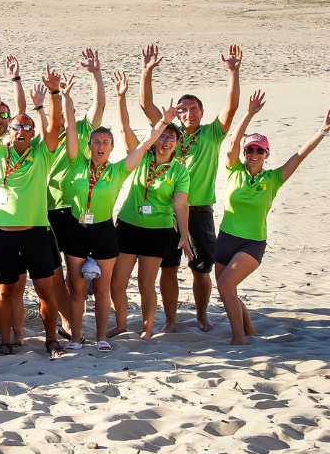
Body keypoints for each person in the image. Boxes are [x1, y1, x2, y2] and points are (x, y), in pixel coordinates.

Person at [0, 62, 67, 357]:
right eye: (16, 126)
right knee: (5, 291)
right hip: (4, 236)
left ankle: (51, 340)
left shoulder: (41, 153)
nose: (22, 130)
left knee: (46, 291)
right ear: (8, 132)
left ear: (33, 133)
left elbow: (55, 127)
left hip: (36, 233)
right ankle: (6, 341)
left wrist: (53, 94)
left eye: (27, 127)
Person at [140, 44, 243, 333]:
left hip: (198, 211)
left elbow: (232, 107)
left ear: (201, 112)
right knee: (168, 267)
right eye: (183, 109)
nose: (188, 113)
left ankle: (201, 315)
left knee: (201, 270)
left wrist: (233, 72)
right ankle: (171, 321)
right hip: (164, 211)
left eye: (194, 109)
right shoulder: (167, 134)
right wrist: (146, 72)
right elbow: (146, 106)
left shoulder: (211, 134)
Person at [56, 75, 161, 351]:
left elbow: (145, 145)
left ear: (112, 147)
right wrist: (65, 97)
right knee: (77, 289)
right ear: (88, 145)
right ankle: (76, 338)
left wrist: (163, 122)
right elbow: (69, 127)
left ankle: (102, 337)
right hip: (76, 230)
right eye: (96, 142)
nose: (101, 146)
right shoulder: (77, 162)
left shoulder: (117, 170)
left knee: (102, 290)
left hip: (104, 232)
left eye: (106, 142)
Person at [213, 93, 327, 345]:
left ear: (266, 154)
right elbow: (231, 143)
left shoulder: (273, 179)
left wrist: (323, 130)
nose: (254, 153)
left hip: (252, 243)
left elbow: (299, 155)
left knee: (224, 287)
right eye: (250, 149)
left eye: (259, 150)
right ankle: (250, 330)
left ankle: (238, 339)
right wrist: (249, 113)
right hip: (225, 239)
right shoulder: (234, 170)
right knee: (228, 289)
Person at [111, 95, 192, 341]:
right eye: (163, 136)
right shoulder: (142, 155)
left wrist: (185, 234)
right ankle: (121, 325)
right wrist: (121, 96)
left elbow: (180, 202)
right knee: (117, 283)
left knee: (146, 283)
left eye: (172, 138)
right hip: (127, 225)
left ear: (178, 143)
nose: (166, 141)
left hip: (157, 230)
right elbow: (124, 127)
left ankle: (147, 328)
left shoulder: (180, 171)